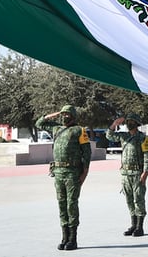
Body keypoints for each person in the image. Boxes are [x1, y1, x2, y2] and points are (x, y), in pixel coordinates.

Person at [37, 105, 91, 250]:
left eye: (67, 114)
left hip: (73, 172)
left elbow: (87, 154)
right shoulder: (57, 128)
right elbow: (39, 123)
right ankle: (64, 236)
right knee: (61, 204)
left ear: (73, 116)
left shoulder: (80, 130)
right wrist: (55, 114)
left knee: (71, 204)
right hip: (58, 172)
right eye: (63, 114)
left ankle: (73, 239)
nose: (64, 116)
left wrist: (84, 173)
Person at [107, 114, 148, 237]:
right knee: (129, 200)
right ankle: (133, 224)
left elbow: (147, 156)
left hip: (138, 173)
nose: (129, 123)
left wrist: (145, 173)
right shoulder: (124, 136)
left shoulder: (143, 138)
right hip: (125, 173)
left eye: (131, 121)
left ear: (137, 123)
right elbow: (109, 136)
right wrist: (114, 124)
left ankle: (140, 227)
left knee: (139, 199)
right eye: (127, 121)